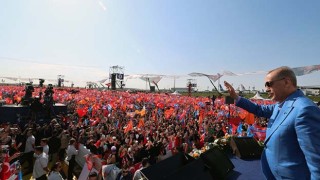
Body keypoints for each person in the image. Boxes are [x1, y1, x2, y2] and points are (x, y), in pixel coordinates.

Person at [224, 66, 320, 179]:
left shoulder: (304, 109)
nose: (266, 89)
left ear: (286, 82)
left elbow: (316, 159)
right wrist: (236, 97)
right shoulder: (281, 104)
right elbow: (258, 110)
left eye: (269, 84)